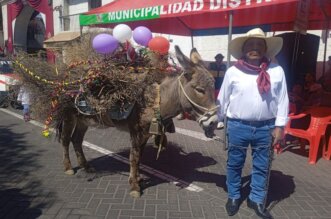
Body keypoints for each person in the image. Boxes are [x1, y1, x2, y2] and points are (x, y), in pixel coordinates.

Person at [217, 28, 289, 219]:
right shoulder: (233, 71)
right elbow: (222, 99)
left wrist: (280, 126)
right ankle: (233, 196)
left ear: (265, 49)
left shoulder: (277, 71)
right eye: (251, 44)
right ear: (243, 48)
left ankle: (256, 199)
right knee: (234, 164)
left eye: (259, 44)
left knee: (262, 167)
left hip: (266, 127)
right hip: (237, 126)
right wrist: (215, 121)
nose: (255, 48)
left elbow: (283, 100)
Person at [209, 53, 227, 129]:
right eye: (218, 58)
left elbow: (226, 75)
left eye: (221, 58)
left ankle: (218, 115)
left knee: (219, 101)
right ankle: (211, 114)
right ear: (216, 59)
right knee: (212, 100)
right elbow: (208, 74)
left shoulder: (224, 66)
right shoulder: (211, 65)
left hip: (220, 86)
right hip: (212, 86)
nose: (220, 59)